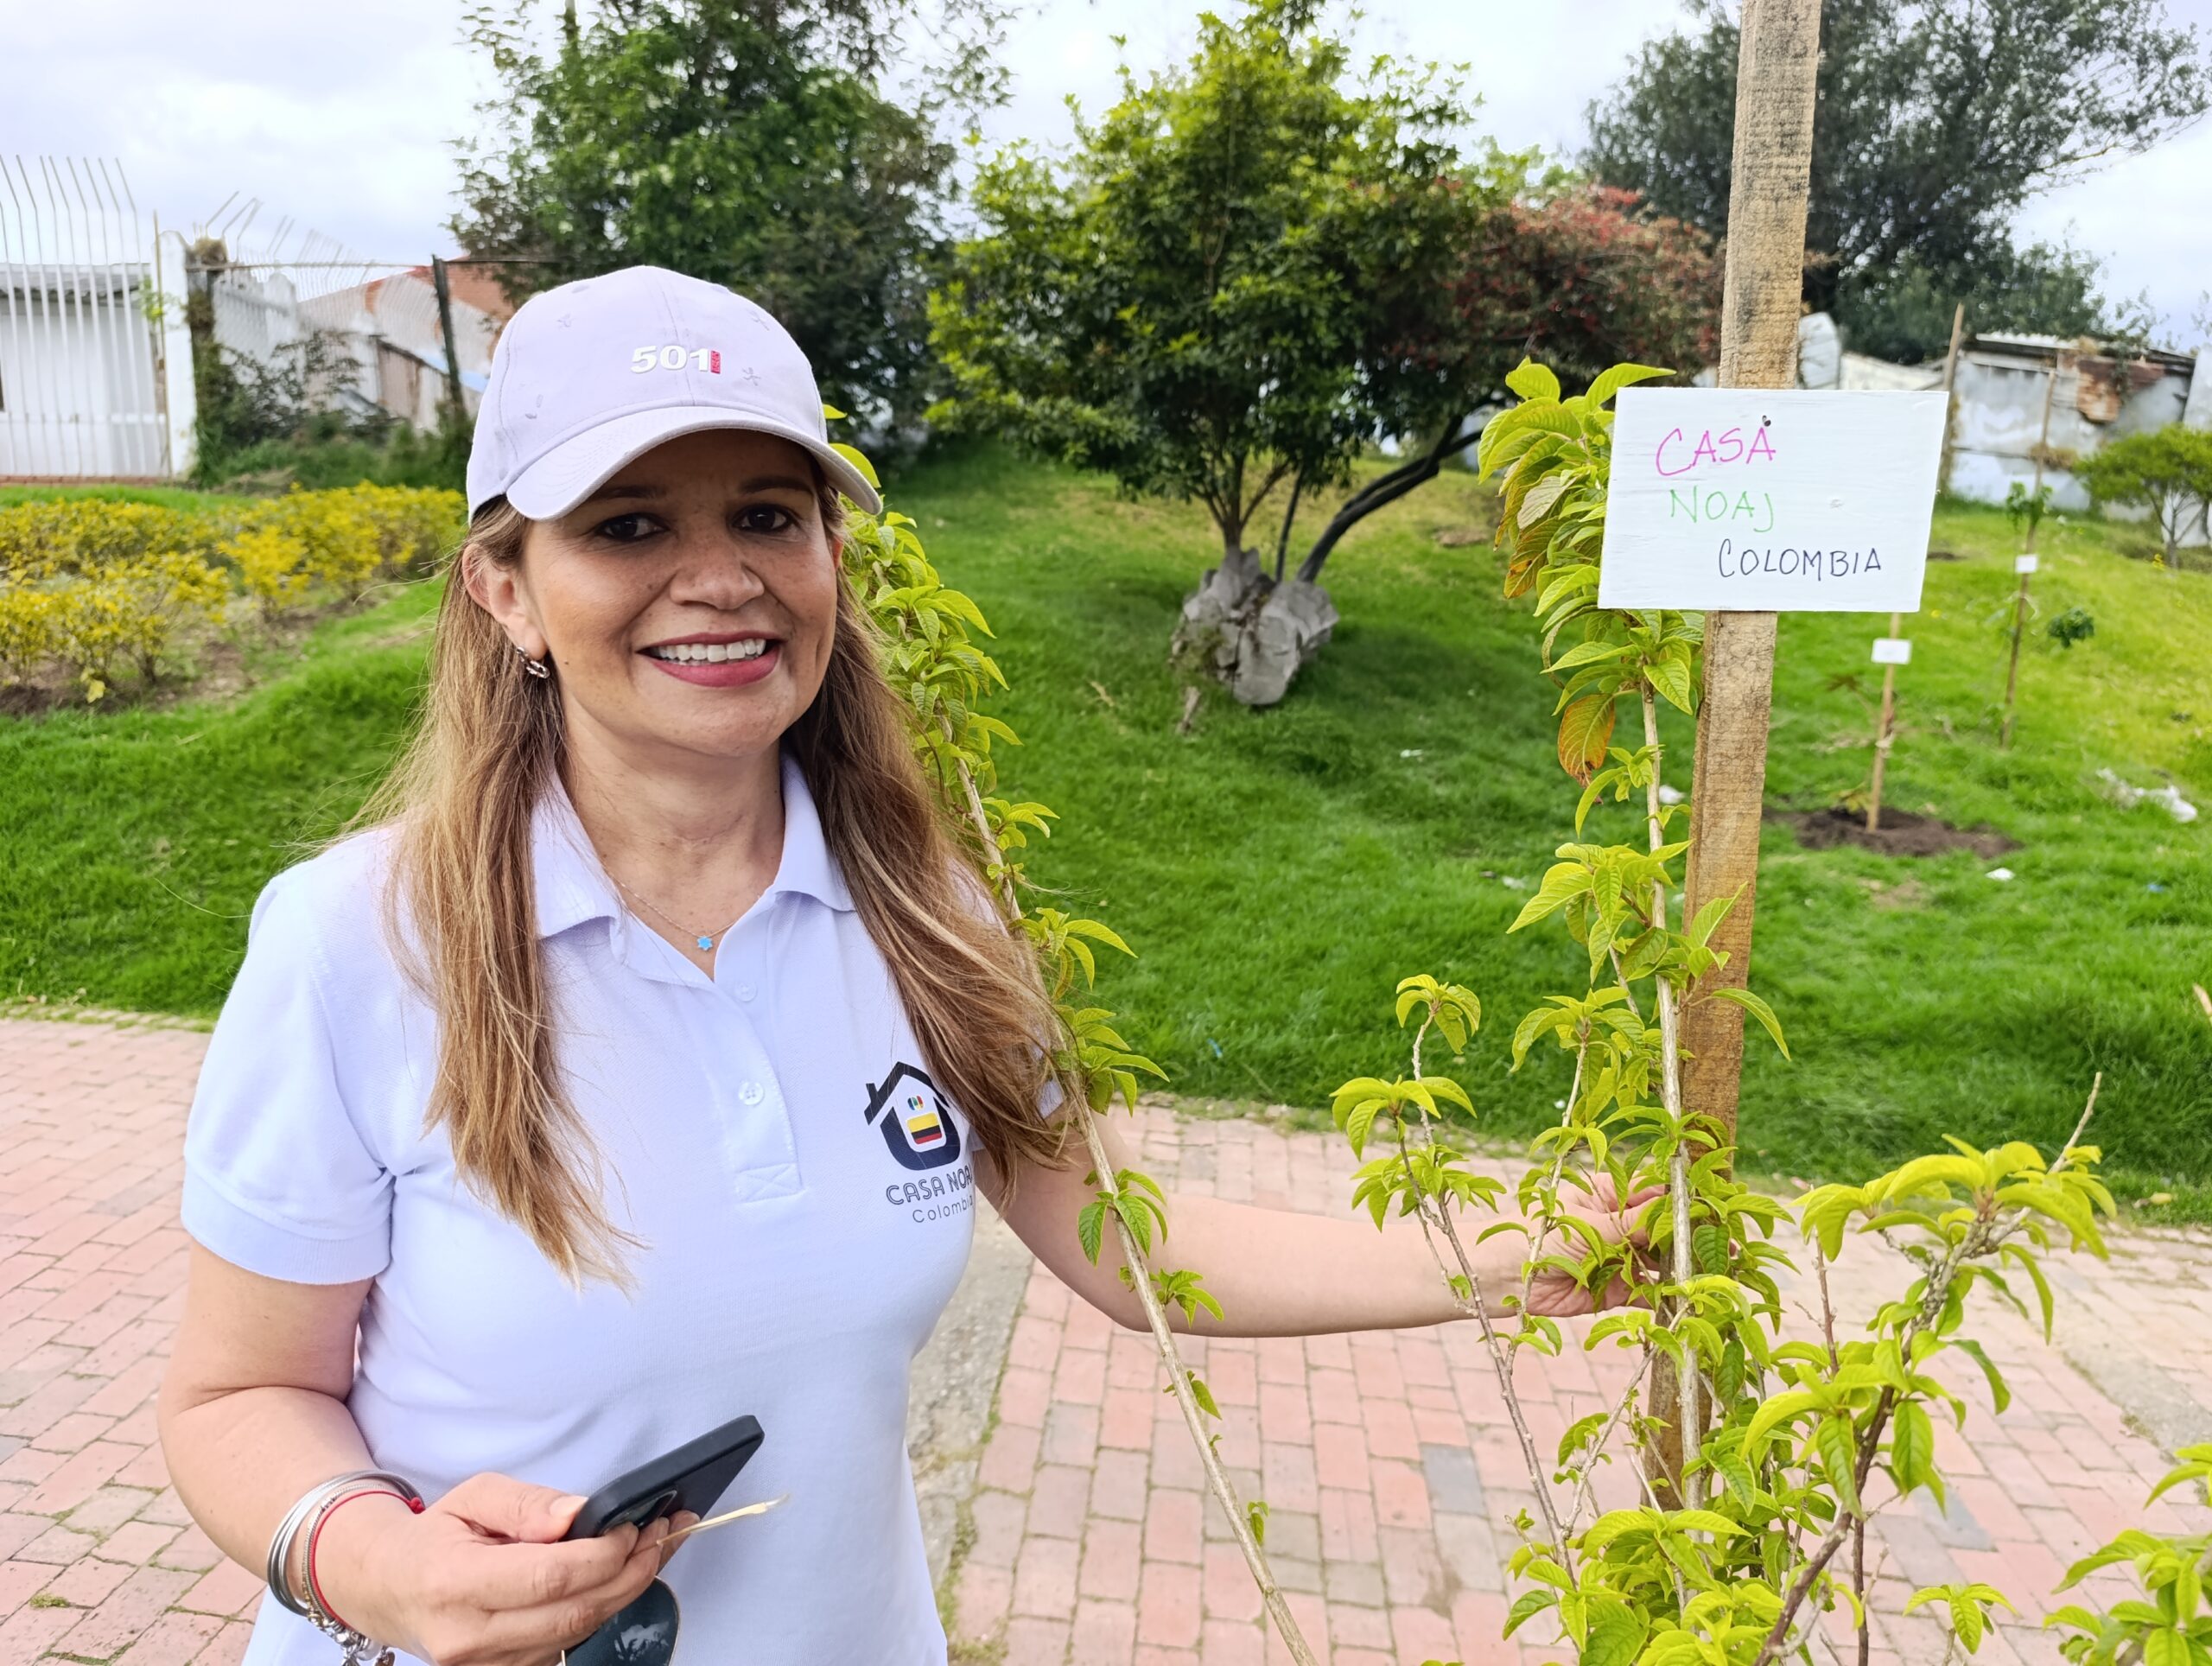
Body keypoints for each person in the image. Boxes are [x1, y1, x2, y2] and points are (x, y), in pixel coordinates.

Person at [156, 266, 1647, 1666]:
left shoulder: (927, 910)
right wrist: (375, 1562)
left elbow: (1121, 1240)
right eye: (626, 528)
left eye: (767, 515)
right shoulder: (359, 942)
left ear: (831, 556)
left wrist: (1523, 1253)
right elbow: (239, 1396)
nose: (720, 578)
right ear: (505, 590)